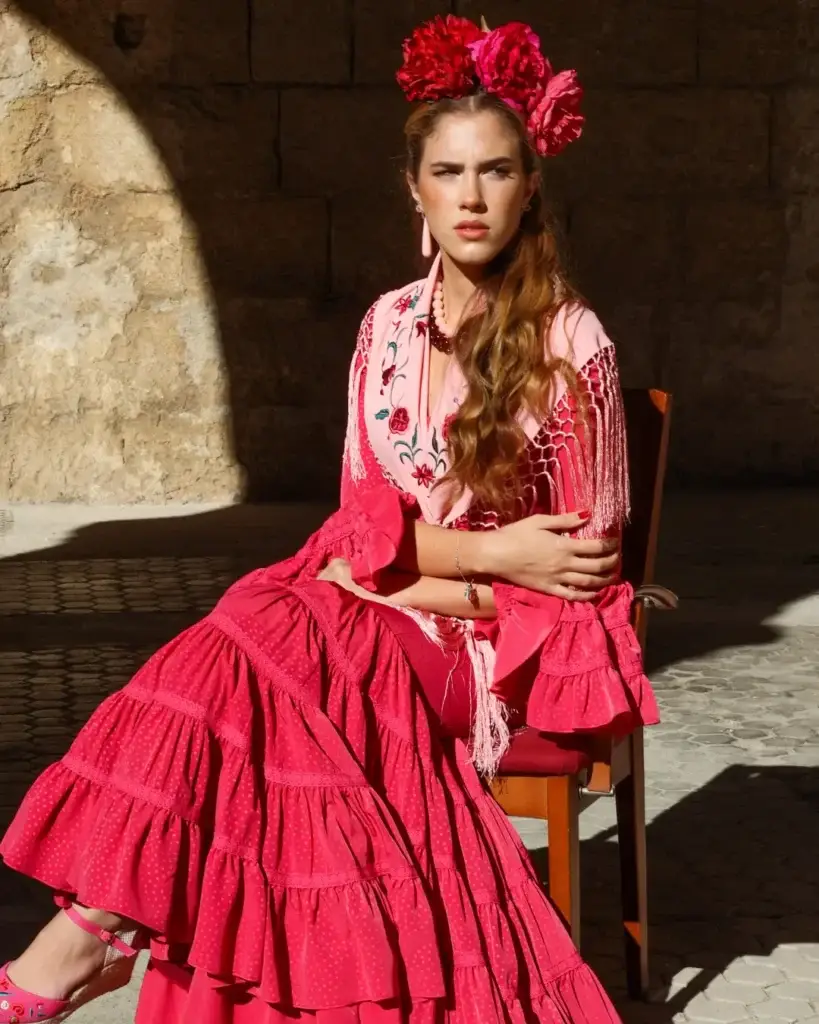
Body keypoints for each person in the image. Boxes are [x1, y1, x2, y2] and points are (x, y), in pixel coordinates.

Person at [0, 15, 658, 1024]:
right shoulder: (388, 326)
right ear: (415, 187)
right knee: (261, 646)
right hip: (376, 610)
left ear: (531, 184)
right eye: (448, 172)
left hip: (491, 649)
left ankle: (83, 939)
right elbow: (358, 526)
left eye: (493, 172)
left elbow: (578, 581)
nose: (470, 197)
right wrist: (459, 554)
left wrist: (405, 573)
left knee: (274, 631)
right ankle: (98, 927)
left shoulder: (574, 342)